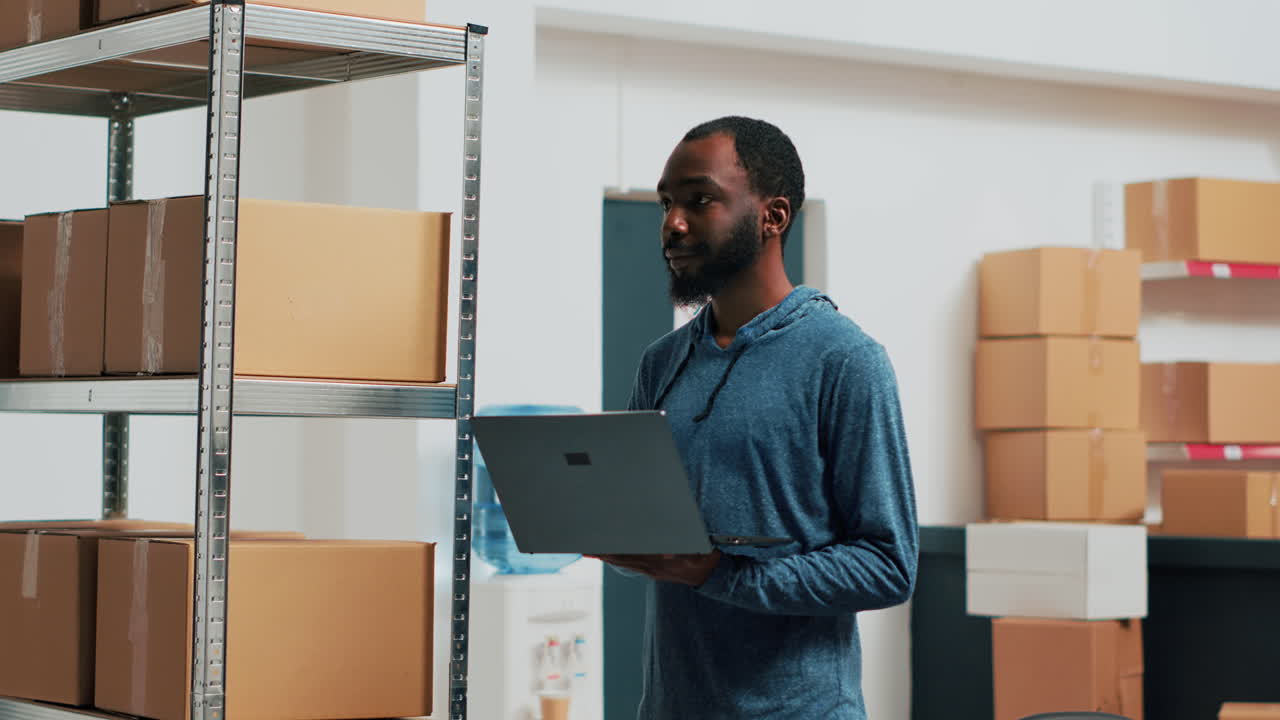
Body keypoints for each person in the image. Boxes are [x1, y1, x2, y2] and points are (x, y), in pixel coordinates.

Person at [594, 116, 919, 719]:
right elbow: (655, 541)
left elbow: (888, 564)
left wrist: (720, 573)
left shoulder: (846, 360)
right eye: (667, 203)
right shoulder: (662, 363)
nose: (673, 223)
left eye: (700, 200)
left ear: (773, 216)